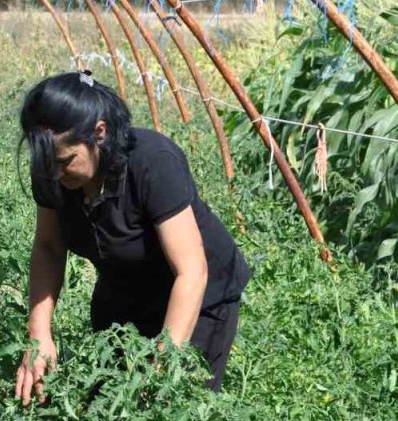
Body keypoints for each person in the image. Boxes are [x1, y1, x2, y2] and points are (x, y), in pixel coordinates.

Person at [14, 71, 251, 404]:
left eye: (65, 161)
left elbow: (192, 270)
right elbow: (50, 247)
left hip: (198, 293)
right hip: (125, 286)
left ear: (99, 133)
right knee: (105, 403)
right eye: (46, 163)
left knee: (174, 410)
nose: (54, 173)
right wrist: (38, 335)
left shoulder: (152, 162)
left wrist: (164, 361)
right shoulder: (51, 168)